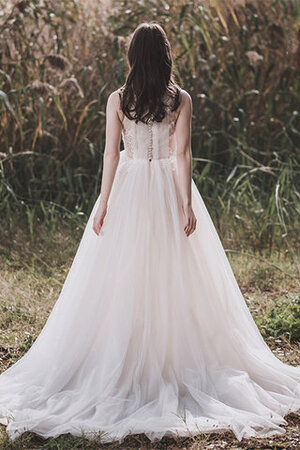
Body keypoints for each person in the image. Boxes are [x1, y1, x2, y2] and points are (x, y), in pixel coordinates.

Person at [0, 22, 299, 444]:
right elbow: (181, 155)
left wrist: (105, 201)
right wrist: (185, 204)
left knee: (124, 273)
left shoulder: (118, 99)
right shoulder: (180, 98)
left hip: (129, 185)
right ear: (164, 55)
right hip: (163, 186)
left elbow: (111, 152)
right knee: (173, 270)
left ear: (132, 57)